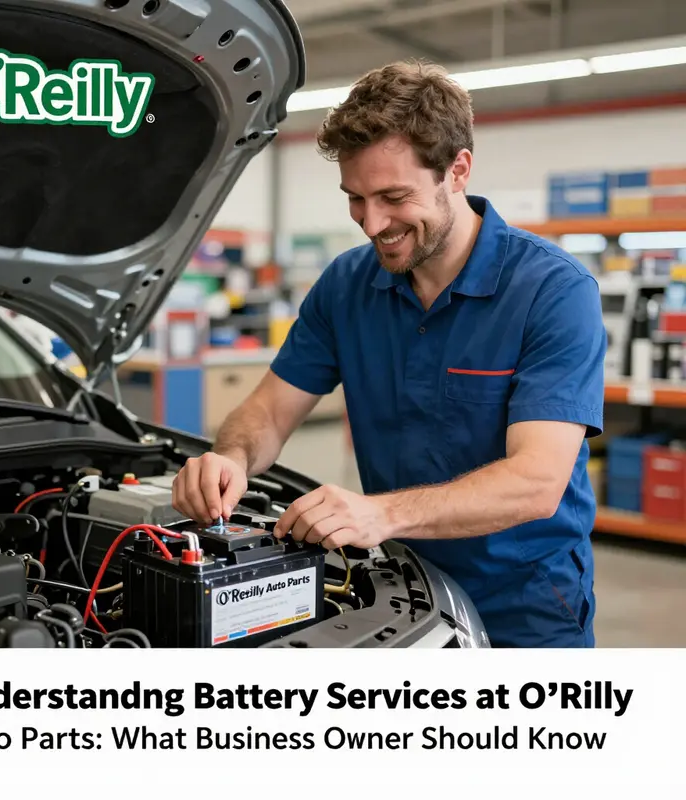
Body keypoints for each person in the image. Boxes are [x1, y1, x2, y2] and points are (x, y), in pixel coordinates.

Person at [171, 60, 607, 648]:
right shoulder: (348, 284)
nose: (372, 223)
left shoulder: (552, 292)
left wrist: (380, 514)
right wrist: (231, 459)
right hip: (394, 586)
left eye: (394, 197)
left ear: (457, 171)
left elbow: (536, 481)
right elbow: (270, 411)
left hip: (524, 607)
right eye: (356, 198)